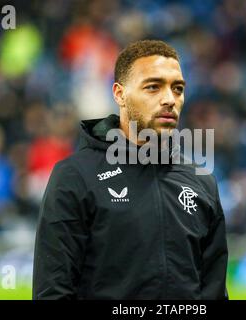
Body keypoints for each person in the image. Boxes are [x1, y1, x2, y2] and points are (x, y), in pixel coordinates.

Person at [32, 40, 229, 300]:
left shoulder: (201, 182)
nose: (170, 99)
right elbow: (53, 292)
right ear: (119, 94)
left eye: (178, 88)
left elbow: (213, 291)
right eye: (153, 87)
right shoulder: (75, 176)